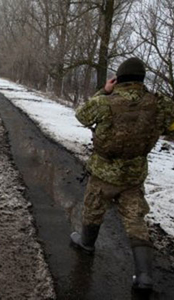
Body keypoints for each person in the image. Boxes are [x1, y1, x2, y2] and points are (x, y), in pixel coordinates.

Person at [70, 57, 174, 290]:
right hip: (133, 175)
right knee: (135, 219)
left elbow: (82, 115)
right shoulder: (160, 103)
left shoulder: (106, 102)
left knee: (93, 208)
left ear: (120, 79)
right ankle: (144, 275)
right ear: (141, 79)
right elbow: (170, 127)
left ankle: (86, 243)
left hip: (104, 172)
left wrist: (104, 92)